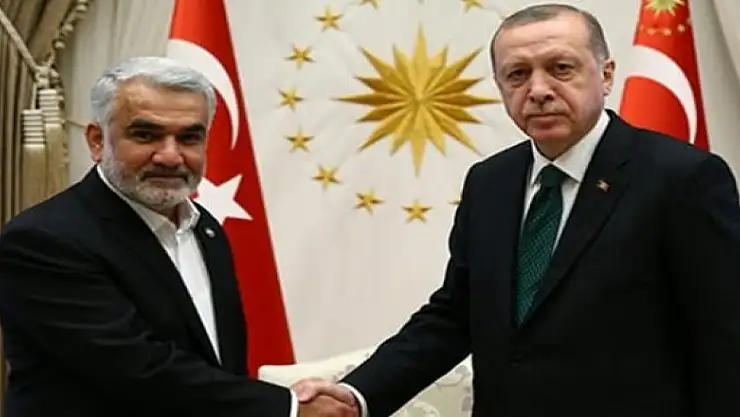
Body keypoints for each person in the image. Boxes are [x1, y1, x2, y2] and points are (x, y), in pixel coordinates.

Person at [293, 3, 740, 417]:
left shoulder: (682, 179)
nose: (538, 90)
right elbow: (455, 315)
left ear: (606, 76)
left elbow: (723, 339)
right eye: (518, 74)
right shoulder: (490, 182)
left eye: (560, 68)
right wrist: (358, 394)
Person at [0, 57, 355, 417]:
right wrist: (287, 408)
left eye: (189, 137)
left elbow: (217, 364)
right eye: (145, 135)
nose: (170, 156)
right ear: (97, 141)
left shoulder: (205, 228)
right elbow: (136, 371)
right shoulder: (43, 240)